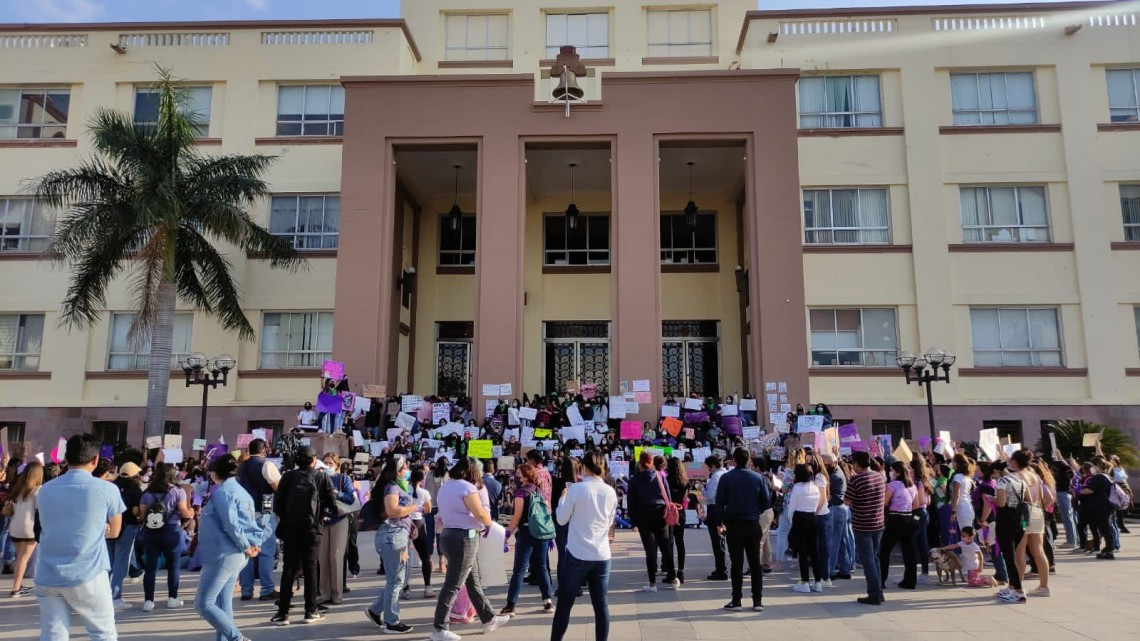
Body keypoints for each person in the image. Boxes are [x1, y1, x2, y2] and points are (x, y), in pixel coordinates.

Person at [35, 434, 126, 640]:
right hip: (88, 572)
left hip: (48, 572)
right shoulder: (107, 489)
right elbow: (115, 532)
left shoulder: (45, 490)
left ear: (66, 458)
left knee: (53, 633)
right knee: (102, 632)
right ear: (95, 460)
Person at [430, 456, 510, 641]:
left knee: (472, 581)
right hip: (464, 537)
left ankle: (488, 618)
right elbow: (480, 513)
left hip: (449, 534)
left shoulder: (447, 486)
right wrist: (490, 524)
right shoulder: (467, 488)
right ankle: (439, 628)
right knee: (453, 585)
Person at [196, 455, 265, 641]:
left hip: (223, 554)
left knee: (204, 604)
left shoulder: (224, 493)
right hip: (233, 554)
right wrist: (252, 544)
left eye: (211, 470)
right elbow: (249, 522)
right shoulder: (240, 491)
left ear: (217, 472)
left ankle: (237, 638)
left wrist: (246, 546)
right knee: (223, 603)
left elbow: (232, 524)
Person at [551, 451, 617, 641]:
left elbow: (562, 520)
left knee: (564, 604)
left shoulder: (576, 490)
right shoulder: (610, 491)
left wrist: (562, 499)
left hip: (578, 554)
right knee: (601, 606)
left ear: (584, 468)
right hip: (602, 555)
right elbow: (610, 521)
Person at [271, 446, 338, 626]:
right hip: (313, 528)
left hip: (291, 528)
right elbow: (332, 503)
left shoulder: (288, 477)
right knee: (311, 568)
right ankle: (310, 610)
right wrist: (322, 515)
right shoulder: (321, 476)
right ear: (313, 460)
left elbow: (277, 504)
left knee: (289, 569)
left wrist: (286, 518)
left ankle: (282, 613)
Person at [366, 454, 420, 634]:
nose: (407, 470)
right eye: (405, 468)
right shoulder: (392, 488)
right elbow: (392, 510)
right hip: (392, 536)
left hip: (397, 536)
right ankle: (392, 622)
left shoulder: (396, 486)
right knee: (395, 580)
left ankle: (375, 611)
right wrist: (414, 507)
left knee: (399, 579)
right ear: (397, 471)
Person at [715, 448, 770, 612]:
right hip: (752, 523)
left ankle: (737, 600)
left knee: (736, 564)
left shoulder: (726, 478)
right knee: (755, 564)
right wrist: (753, 511)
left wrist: (719, 522)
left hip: (733, 524)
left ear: (734, 460)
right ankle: (757, 600)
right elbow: (766, 503)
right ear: (749, 461)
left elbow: (719, 502)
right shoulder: (759, 478)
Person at [137, 463, 194, 611]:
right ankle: (172, 598)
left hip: (151, 532)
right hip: (172, 531)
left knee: (151, 567)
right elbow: (183, 512)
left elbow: (142, 516)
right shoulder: (177, 491)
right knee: (173, 567)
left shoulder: (147, 493)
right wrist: (191, 512)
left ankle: (148, 601)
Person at [501, 463, 554, 616]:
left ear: (524, 476)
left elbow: (517, 517)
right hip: (541, 533)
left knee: (519, 570)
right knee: (542, 567)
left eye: (518, 474)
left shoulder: (520, 493)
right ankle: (547, 601)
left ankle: (511, 605)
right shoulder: (539, 491)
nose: (516, 477)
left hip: (525, 532)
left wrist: (508, 533)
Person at [235, 438, 280, 603]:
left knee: (247, 551)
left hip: (245, 510)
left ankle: (246, 590)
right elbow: (278, 487)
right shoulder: (266, 465)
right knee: (266, 550)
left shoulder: (241, 467)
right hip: (265, 506)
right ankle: (267, 588)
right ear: (265, 449)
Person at [626, 450, 676, 592]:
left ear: (640, 463)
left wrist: (633, 522)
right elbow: (667, 494)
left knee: (650, 550)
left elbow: (631, 503)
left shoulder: (634, 480)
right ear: (652, 462)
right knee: (666, 546)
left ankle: (652, 583)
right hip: (660, 514)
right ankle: (673, 578)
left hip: (643, 517)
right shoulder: (660, 476)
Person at [845, 451, 886, 605]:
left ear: (856, 464)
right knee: (875, 558)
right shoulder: (879, 476)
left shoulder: (856, 479)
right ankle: (879, 591)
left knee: (868, 560)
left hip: (863, 524)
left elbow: (847, 501)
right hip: (878, 523)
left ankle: (874, 593)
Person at [317, 452, 356, 606]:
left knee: (335, 556)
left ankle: (337, 594)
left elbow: (350, 498)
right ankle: (324, 593)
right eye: (325, 463)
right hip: (323, 520)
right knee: (323, 557)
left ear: (337, 465)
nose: (327, 466)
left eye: (330, 463)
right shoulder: (319, 479)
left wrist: (335, 492)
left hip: (339, 518)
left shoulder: (343, 479)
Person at [1013, 451, 1052, 596]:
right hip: (1036, 511)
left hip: (1023, 512)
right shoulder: (1035, 476)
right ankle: (1044, 586)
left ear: (1015, 462)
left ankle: (1016, 587)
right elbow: (1046, 497)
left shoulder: (1016, 476)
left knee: (1020, 551)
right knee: (1038, 551)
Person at [879, 460, 919, 591]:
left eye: (892, 470)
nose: (891, 472)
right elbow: (916, 505)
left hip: (895, 518)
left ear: (897, 472)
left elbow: (884, 502)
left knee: (885, 550)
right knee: (909, 551)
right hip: (908, 518)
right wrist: (915, 519)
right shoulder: (912, 485)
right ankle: (910, 580)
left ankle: (881, 579)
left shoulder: (893, 485)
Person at [109, 462, 143, 609]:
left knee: (108, 562)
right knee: (122, 562)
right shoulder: (135, 489)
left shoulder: (112, 486)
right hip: (128, 525)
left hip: (109, 525)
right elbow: (136, 511)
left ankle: (103, 595)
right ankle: (115, 596)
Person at [8, 460, 42, 598]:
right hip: (30, 529)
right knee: (24, 558)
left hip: (15, 528)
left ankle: (18, 585)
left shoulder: (17, 489)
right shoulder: (38, 491)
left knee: (20, 558)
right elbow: (39, 510)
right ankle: (16, 588)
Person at [787, 463, 823, 593]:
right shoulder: (815, 487)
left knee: (802, 552)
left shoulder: (797, 488)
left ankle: (805, 582)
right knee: (814, 551)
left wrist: (792, 521)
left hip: (799, 517)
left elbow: (792, 507)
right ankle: (818, 581)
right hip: (812, 517)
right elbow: (817, 503)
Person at [402, 466, 436, 600]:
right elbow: (428, 510)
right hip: (419, 523)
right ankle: (427, 587)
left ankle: (405, 588)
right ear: (422, 479)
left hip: (405, 522)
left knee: (404, 557)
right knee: (425, 556)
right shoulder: (424, 493)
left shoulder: (404, 490)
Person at [823, 454, 852, 581]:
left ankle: (830, 570)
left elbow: (829, 495)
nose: (825, 466)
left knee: (833, 542)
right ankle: (845, 569)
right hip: (839, 509)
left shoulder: (835, 476)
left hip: (835, 509)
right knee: (841, 542)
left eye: (827, 464)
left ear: (834, 462)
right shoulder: (837, 471)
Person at [703, 455, 729, 581]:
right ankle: (721, 568)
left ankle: (721, 569)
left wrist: (702, 489)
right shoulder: (727, 473)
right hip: (726, 509)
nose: (709, 470)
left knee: (717, 540)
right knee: (721, 539)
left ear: (713, 466)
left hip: (715, 509)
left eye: (709, 467)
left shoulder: (716, 476)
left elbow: (710, 495)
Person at [664, 457, 690, 584]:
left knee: (669, 542)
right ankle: (681, 571)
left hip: (669, 512)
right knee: (680, 542)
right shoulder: (685, 481)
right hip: (681, 511)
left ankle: (671, 573)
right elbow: (685, 498)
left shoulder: (667, 480)